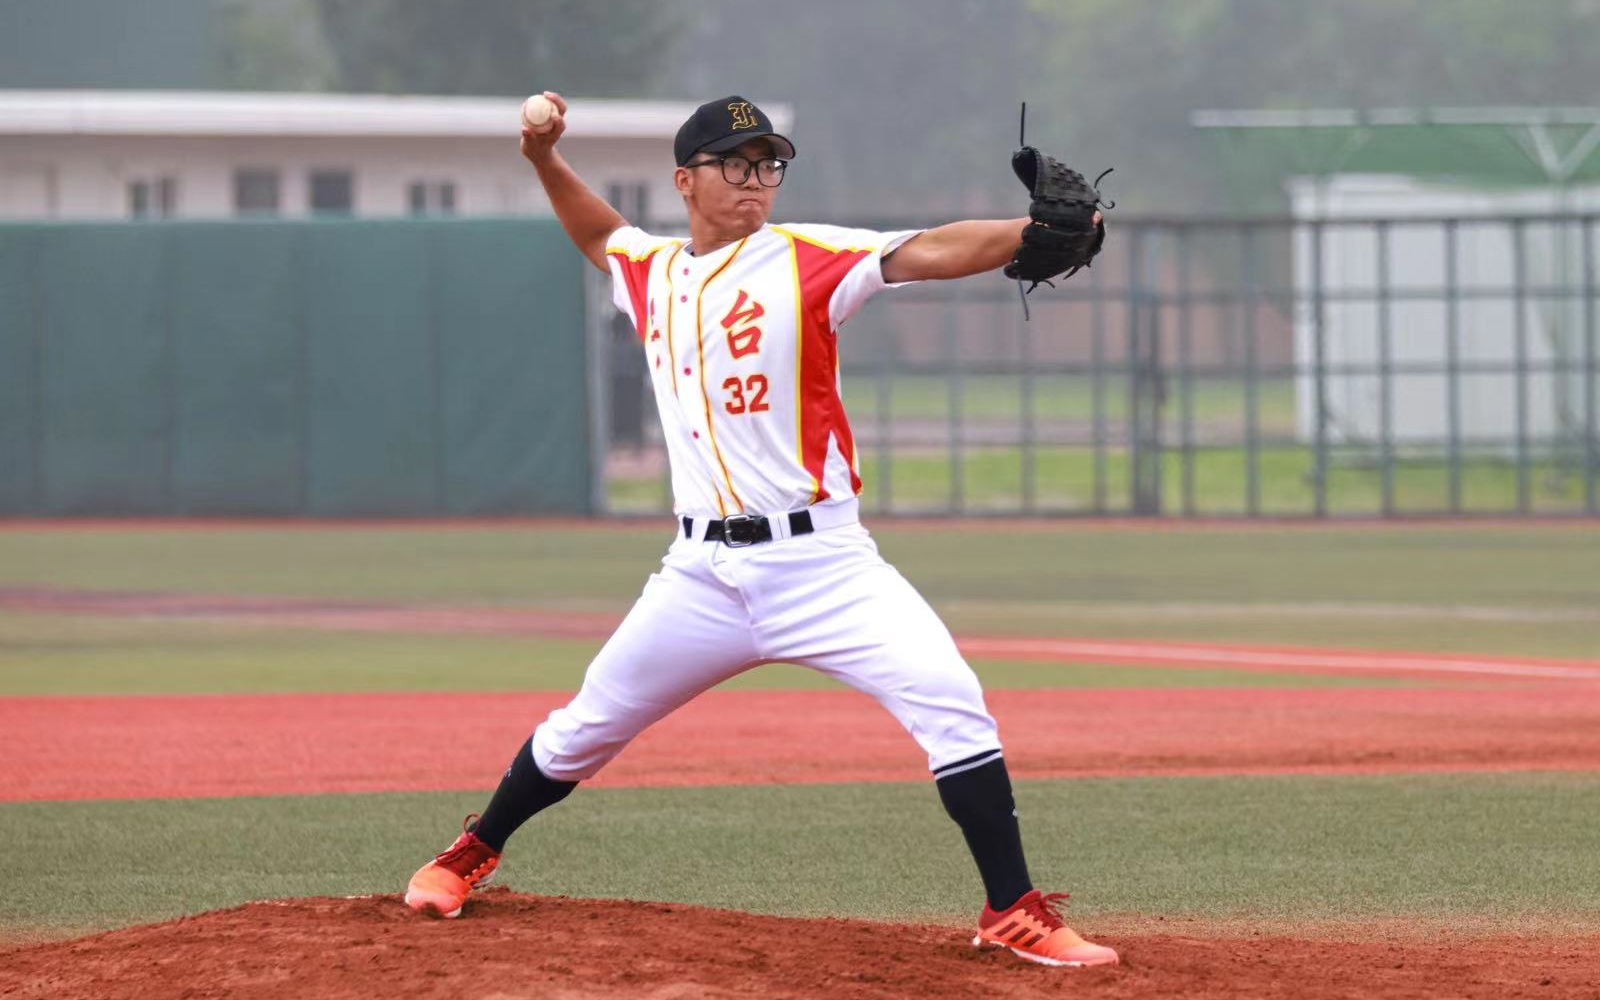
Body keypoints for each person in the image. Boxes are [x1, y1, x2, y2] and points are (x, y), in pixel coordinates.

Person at [404, 92, 1116, 969]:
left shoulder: (804, 257)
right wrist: (543, 160)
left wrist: (1026, 229)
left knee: (954, 705)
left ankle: (1013, 910)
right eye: (735, 165)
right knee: (584, 728)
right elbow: (597, 235)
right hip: (699, 575)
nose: (755, 182)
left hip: (825, 563)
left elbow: (925, 250)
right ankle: (471, 852)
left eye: (768, 164)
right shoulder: (651, 273)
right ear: (685, 181)